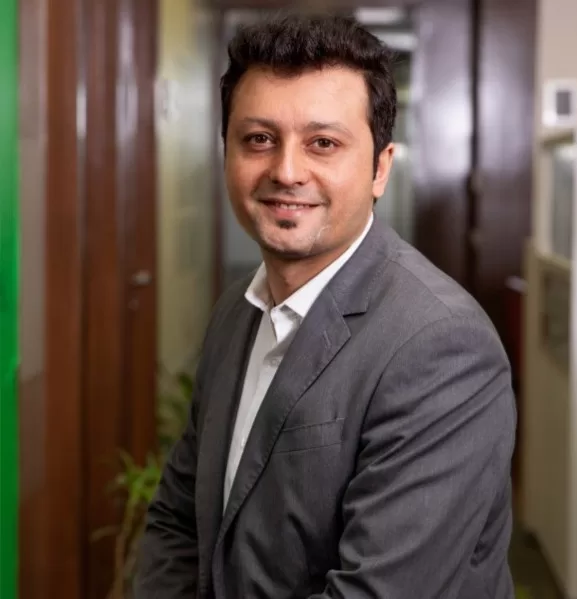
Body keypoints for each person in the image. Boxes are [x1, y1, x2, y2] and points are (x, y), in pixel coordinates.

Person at [135, 13, 516, 599]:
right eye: (259, 139)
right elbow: (179, 520)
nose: (287, 171)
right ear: (226, 153)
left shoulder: (442, 345)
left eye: (323, 143)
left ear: (380, 168)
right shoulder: (237, 312)